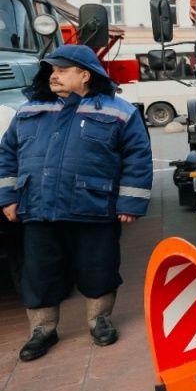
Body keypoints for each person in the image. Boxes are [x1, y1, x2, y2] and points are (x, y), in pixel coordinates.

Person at [0, 45, 152, 361]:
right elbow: (7, 156)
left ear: (85, 75)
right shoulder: (28, 110)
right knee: (39, 272)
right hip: (39, 209)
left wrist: (130, 203)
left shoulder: (119, 111)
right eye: (52, 70)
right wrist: (8, 197)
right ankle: (42, 330)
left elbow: (137, 157)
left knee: (99, 268)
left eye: (62, 70)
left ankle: (100, 321)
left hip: (94, 209)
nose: (54, 76)